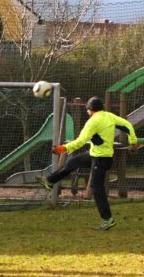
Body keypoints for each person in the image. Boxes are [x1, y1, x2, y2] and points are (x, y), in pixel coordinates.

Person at [39, 97, 137, 230]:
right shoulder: (110, 116)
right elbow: (127, 125)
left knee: (96, 188)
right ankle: (50, 181)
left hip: (101, 158)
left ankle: (107, 219)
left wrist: (63, 148)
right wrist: (133, 141)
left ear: (90, 110)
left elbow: (80, 141)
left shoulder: (92, 122)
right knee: (74, 162)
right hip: (97, 155)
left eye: (87, 110)